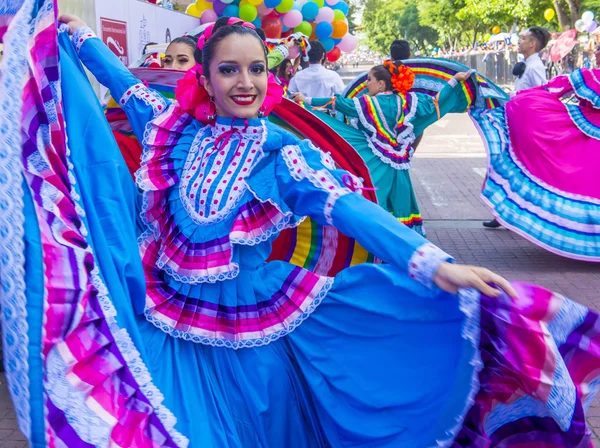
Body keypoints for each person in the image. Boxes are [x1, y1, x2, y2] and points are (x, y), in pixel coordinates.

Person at [5, 8, 600, 446]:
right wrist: (74, 37)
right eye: (229, 70)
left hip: (257, 329)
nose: (246, 82)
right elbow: (126, 86)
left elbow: (346, 207)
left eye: (257, 69)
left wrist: (431, 262)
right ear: (205, 80)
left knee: (266, 426)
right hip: (173, 322)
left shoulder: (279, 151)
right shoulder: (174, 130)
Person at [292, 61, 472, 235]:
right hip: (399, 165)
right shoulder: (408, 101)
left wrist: (305, 99)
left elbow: (337, 103)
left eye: (369, 79)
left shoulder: (368, 104)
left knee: (372, 201)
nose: (367, 83)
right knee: (400, 203)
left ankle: (375, 242)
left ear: (380, 84)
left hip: (375, 161)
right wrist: (454, 80)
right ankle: (402, 241)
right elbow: (436, 103)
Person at [483, 26, 550, 229]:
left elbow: (543, 96)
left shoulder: (535, 67)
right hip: (519, 124)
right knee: (514, 168)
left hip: (528, 127)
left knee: (522, 169)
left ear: (533, 44)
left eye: (523, 39)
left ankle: (515, 215)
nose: (519, 42)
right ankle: (505, 214)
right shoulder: (526, 64)